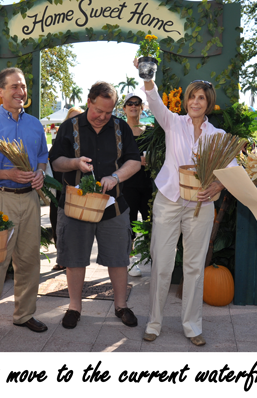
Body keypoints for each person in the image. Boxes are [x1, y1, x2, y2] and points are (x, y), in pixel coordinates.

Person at [135, 60, 236, 346]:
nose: (195, 101)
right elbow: (153, 102)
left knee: (194, 266)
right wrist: (147, 78)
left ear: (208, 103)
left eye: (201, 98)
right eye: (191, 96)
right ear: (186, 101)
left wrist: (216, 185)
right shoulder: (172, 123)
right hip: (168, 201)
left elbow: (233, 170)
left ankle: (192, 326)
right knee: (162, 264)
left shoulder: (217, 136)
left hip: (201, 206)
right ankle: (154, 323)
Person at [50, 81, 141, 329]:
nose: (102, 117)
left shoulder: (122, 127)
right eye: (98, 111)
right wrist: (75, 163)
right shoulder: (69, 127)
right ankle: (74, 307)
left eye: (108, 112)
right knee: (75, 258)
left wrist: (116, 177)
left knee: (118, 258)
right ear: (89, 102)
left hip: (114, 207)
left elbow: (134, 161)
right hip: (76, 206)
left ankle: (121, 305)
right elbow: (56, 162)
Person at [0, 67, 49, 343]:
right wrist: (7, 174)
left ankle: (24, 314)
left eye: (24, 86)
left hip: (29, 199)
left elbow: (41, 157)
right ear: (0, 92)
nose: (21, 92)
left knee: (29, 260)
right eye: (14, 87)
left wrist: (39, 173)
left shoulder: (35, 124)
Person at [121, 89, 154, 277]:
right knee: (129, 225)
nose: (133, 106)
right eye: (130, 104)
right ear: (124, 108)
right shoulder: (119, 131)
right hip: (128, 185)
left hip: (148, 184)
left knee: (151, 223)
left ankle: (152, 258)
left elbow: (160, 156)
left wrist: (151, 160)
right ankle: (131, 260)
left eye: (137, 103)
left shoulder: (150, 132)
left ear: (142, 108)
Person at [50, 106, 84, 271]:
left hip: (79, 191)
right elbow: (52, 160)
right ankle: (61, 257)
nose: (74, 122)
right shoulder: (60, 140)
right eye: (72, 118)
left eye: (78, 118)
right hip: (59, 189)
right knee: (58, 223)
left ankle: (73, 259)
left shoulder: (86, 140)